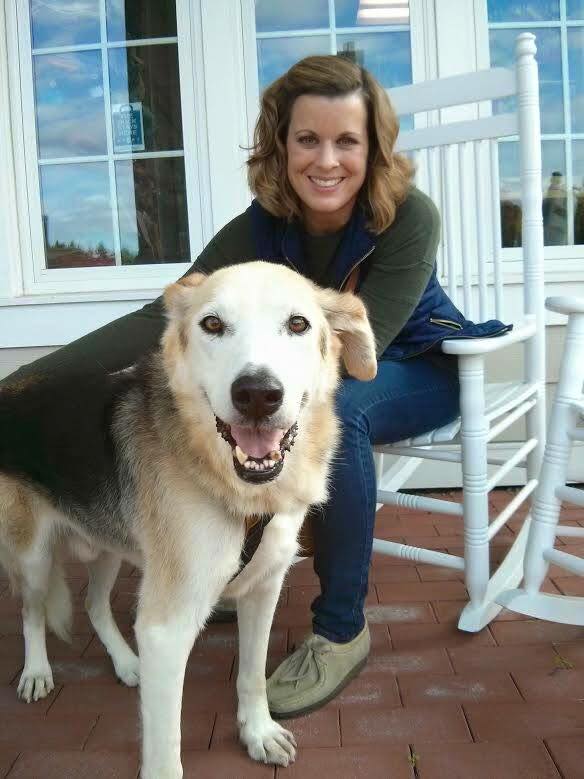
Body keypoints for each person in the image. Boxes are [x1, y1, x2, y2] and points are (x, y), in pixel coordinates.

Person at [1, 55, 508, 717]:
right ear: (282, 144)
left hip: (416, 365)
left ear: (374, 148)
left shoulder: (410, 216)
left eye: (347, 141)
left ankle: (340, 630)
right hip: (310, 369)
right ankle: (228, 565)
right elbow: (159, 318)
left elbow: (363, 352)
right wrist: (25, 381)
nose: (326, 160)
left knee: (338, 409)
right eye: (308, 139)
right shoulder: (259, 225)